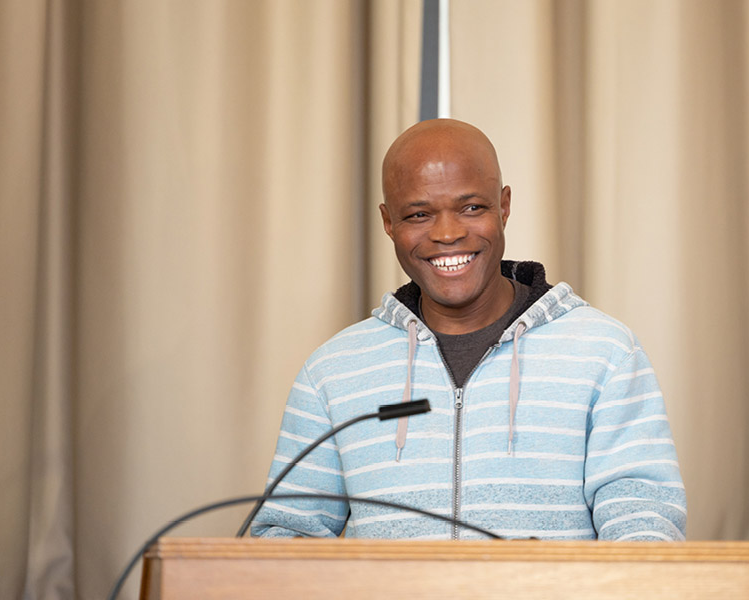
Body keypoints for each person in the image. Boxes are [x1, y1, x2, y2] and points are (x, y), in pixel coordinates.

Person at [251, 119, 686, 541]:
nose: (447, 233)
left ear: (504, 206)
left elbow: (642, 525)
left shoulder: (604, 352)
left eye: (472, 208)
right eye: (418, 214)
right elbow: (286, 535)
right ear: (388, 222)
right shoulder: (332, 371)